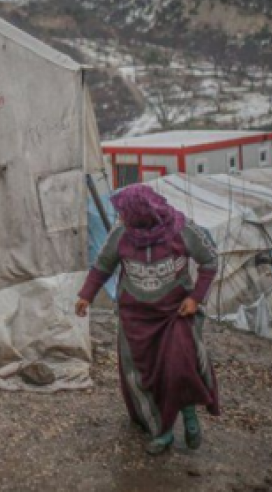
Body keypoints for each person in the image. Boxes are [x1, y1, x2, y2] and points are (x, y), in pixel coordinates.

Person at [76, 184, 220, 455]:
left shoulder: (181, 229)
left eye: (124, 213)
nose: (120, 218)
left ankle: (189, 415)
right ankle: (162, 431)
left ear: (142, 213)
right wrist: (86, 295)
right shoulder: (121, 235)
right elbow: (102, 267)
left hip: (175, 314)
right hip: (135, 320)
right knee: (142, 376)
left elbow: (210, 260)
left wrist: (195, 298)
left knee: (180, 366)